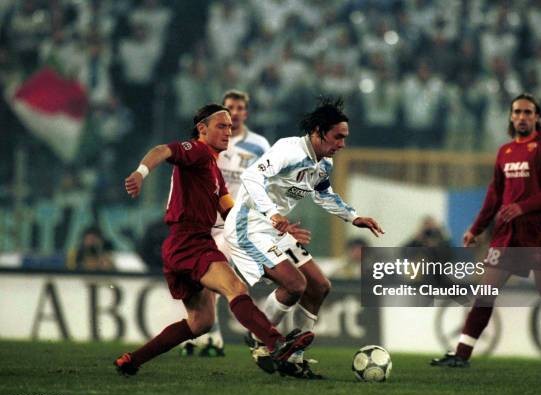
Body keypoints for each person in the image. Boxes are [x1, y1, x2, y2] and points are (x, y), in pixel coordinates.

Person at [114, 103, 313, 376]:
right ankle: (276, 343)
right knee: (235, 287)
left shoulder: (213, 169)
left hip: (184, 244)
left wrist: (275, 225)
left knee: (201, 322)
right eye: (221, 126)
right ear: (202, 129)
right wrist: (140, 173)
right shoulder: (196, 151)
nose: (228, 132)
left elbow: (231, 212)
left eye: (230, 127)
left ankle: (132, 360)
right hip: (189, 242)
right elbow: (161, 150)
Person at [224, 97, 384, 378]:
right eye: (338, 137)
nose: (342, 144)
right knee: (295, 284)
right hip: (248, 225)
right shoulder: (289, 150)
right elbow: (251, 177)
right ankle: (260, 337)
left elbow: (323, 194)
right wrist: (273, 214)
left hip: (276, 228)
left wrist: (353, 217)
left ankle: (294, 359)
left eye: (345, 138)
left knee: (319, 286)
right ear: (319, 131)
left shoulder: (323, 164)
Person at [431, 93, 541, 373]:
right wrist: (476, 227)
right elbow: (494, 195)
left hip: (539, 233)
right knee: (485, 293)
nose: (522, 117)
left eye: (528, 112)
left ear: (537, 117)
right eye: (517, 112)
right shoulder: (505, 152)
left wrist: (522, 207)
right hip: (507, 234)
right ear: (511, 117)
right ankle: (461, 354)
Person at [180, 90, 271, 358]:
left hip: (235, 222)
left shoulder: (258, 145)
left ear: (246, 112)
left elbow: (267, 181)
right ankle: (209, 334)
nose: (236, 112)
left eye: (240, 107)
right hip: (205, 219)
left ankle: (213, 336)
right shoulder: (212, 140)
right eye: (230, 107)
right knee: (201, 281)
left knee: (216, 277)